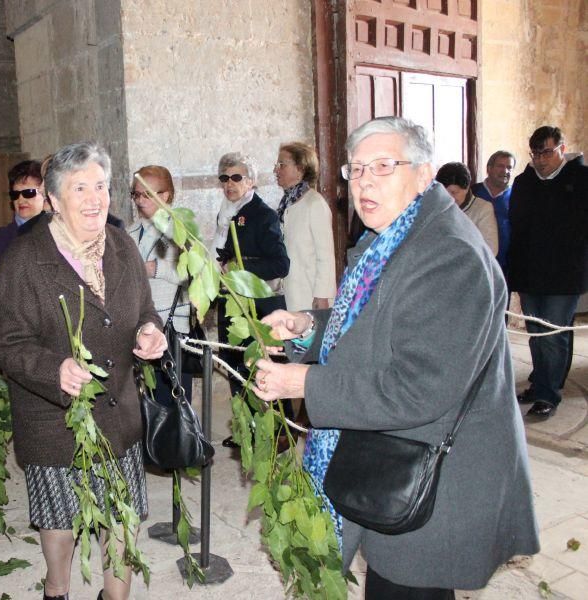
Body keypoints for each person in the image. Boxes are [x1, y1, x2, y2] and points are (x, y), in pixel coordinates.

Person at [252, 116, 539, 598]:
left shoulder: (449, 257)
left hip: (436, 478)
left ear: (424, 175)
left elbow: (417, 388)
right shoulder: (393, 237)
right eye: (356, 169)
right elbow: (370, 326)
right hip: (398, 455)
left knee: (405, 588)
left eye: (383, 166)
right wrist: (304, 326)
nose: (364, 182)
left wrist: (305, 384)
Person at [0, 142, 166, 600]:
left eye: (102, 186)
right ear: (51, 199)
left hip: (119, 415)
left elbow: (146, 309)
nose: (95, 198)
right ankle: (57, 587)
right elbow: (6, 343)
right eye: (79, 188)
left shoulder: (122, 244)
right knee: (62, 529)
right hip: (55, 421)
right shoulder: (25, 261)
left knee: (123, 525)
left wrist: (151, 332)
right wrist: (54, 369)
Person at [507, 125, 588, 419]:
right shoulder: (524, 183)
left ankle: (549, 395)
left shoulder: (581, 180)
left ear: (562, 150)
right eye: (536, 153)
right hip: (530, 273)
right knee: (536, 334)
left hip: (564, 276)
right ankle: (541, 383)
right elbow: (516, 223)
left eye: (547, 152)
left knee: (554, 334)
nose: (541, 159)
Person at [214, 152, 290, 449]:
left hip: (258, 305)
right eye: (224, 178)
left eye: (236, 177)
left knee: (258, 369)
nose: (229, 184)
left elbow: (280, 264)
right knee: (235, 367)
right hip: (231, 302)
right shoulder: (225, 212)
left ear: (251, 181)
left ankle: (269, 434)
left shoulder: (263, 215)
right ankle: (246, 429)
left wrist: (240, 266)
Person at [127, 165, 193, 402]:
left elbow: (194, 274)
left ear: (165, 195)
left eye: (147, 194)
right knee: (146, 401)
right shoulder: (129, 232)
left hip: (171, 326)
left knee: (173, 400)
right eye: (136, 194)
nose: (140, 201)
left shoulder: (181, 228)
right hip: (139, 325)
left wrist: (156, 269)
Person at [273, 142, 336, 311]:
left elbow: (326, 257)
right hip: (290, 294)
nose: (276, 170)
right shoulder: (287, 204)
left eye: (282, 165)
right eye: (276, 165)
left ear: (300, 168)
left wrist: (322, 296)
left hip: (310, 297)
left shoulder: (314, 204)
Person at [435, 162, 499, 255]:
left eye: (454, 192)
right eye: (444, 192)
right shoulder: (435, 207)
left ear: (467, 188)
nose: (449, 197)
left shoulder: (483, 208)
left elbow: (490, 249)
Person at [0, 159, 48, 257]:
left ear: (46, 194)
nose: (20, 200)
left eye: (29, 193)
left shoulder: (59, 233)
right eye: (15, 194)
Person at [472, 150, 516, 272]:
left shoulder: (516, 196)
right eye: (500, 166)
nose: (505, 171)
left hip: (505, 267)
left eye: (509, 167)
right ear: (489, 168)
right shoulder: (472, 193)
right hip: (476, 262)